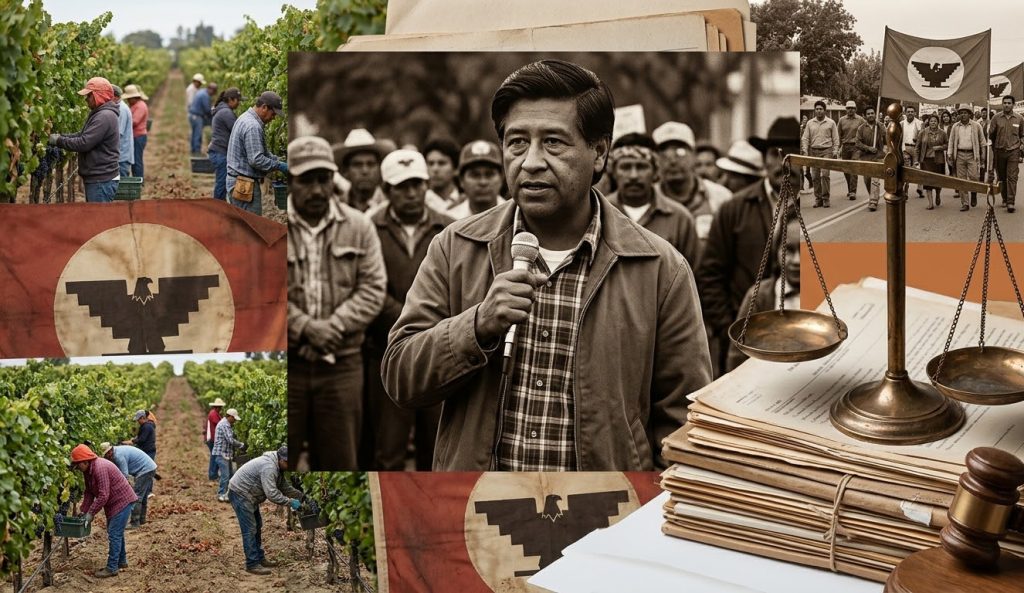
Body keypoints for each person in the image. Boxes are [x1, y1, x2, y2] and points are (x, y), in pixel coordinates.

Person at [382, 59, 713, 471]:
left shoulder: (660, 268)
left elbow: (685, 425)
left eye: (553, 142)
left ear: (599, 152)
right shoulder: (456, 247)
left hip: (602, 517)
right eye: (517, 142)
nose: (531, 161)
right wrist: (478, 324)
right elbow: (400, 376)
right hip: (477, 512)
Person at [287, 135, 386, 470]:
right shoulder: (273, 229)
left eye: (323, 180)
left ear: (333, 179)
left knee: (340, 464)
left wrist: (333, 328)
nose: (317, 190)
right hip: (290, 365)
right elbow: (263, 291)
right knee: (281, 463)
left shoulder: (359, 227)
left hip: (342, 364)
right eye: (306, 181)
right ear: (290, 181)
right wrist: (305, 328)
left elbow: (373, 288)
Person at [365, 150, 454, 470]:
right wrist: (408, 318)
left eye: (417, 185)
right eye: (402, 187)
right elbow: (366, 287)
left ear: (427, 185)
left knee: (437, 448)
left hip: (437, 357)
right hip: (386, 354)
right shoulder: (369, 227)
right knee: (389, 450)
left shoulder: (449, 229)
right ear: (387, 190)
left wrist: (430, 326)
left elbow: (455, 288)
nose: (412, 193)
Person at [698, 117, 802, 376]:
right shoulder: (734, 209)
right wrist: (731, 328)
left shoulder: (817, 208)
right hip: (744, 346)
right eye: (774, 154)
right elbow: (710, 275)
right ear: (764, 160)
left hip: (804, 341)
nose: (783, 162)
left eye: (793, 153)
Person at [605, 133, 700, 266]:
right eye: (626, 167)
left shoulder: (680, 219)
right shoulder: (598, 212)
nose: (633, 176)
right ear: (613, 172)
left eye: (642, 167)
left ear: (656, 172)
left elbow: (694, 274)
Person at [724, 216, 801, 373]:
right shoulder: (759, 297)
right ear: (777, 250)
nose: (796, 260)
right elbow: (736, 359)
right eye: (789, 250)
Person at [652, 121, 732, 251]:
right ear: (655, 159)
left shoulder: (721, 198)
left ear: (694, 155)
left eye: (680, 152)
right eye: (664, 154)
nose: (672, 161)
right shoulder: (649, 200)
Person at [227, 446, 303, 575]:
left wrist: (301, 495)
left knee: (257, 526)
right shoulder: (269, 468)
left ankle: (260, 559)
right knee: (250, 529)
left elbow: (284, 486)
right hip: (241, 494)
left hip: (249, 495)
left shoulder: (277, 466)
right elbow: (272, 494)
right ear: (282, 460)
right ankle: (252, 564)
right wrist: (290, 502)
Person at [47, 77, 120, 202]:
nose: (86, 99)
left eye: (89, 96)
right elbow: (82, 134)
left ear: (98, 95)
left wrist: (58, 141)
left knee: (97, 220)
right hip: (99, 179)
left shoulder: (104, 116)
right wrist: (61, 136)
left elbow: (84, 143)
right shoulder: (101, 114)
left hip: (100, 180)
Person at [70, 444, 137, 578]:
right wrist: (84, 510)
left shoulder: (99, 468)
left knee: (114, 533)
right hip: (114, 503)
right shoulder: (88, 471)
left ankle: (112, 567)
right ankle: (121, 561)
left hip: (122, 501)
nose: (77, 468)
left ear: (85, 461)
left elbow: (103, 495)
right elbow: (89, 492)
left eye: (78, 465)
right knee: (116, 532)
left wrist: (91, 513)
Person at [227, 91, 289, 216]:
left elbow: (261, 152)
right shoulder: (252, 126)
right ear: (264, 107)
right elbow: (256, 159)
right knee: (252, 227)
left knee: (243, 226)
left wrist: (278, 159)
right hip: (244, 184)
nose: (274, 118)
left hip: (238, 182)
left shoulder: (245, 118)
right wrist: (279, 166)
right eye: (273, 113)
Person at [446, 140, 507, 219]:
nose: (483, 182)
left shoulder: (515, 216)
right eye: (475, 175)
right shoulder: (449, 220)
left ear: (501, 178)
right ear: (461, 180)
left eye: (489, 174)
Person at [100, 443, 157, 529]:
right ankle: (142, 520)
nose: (106, 458)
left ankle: (134, 522)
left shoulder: (118, 456)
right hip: (150, 467)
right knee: (143, 496)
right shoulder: (117, 451)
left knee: (137, 497)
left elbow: (124, 475)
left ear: (109, 452)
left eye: (106, 456)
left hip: (145, 470)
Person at [332, 128, 390, 213]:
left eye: (371, 164)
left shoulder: (389, 205)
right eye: (357, 165)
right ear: (346, 171)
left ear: (379, 169)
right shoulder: (336, 207)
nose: (365, 171)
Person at [800, 100, 840, 208]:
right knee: (814, 176)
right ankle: (818, 199)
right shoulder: (809, 123)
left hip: (827, 150)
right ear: (814, 110)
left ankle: (826, 198)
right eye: (817, 109)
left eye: (821, 109)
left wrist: (835, 151)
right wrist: (805, 150)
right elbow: (805, 138)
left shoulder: (831, 123)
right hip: (814, 151)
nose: (819, 111)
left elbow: (835, 139)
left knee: (825, 174)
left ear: (825, 110)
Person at [947, 106, 986, 212]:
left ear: (970, 114)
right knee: (961, 180)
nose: (963, 115)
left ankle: (974, 193)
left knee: (974, 177)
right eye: (961, 113)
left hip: (972, 155)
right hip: (959, 155)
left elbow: (982, 142)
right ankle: (965, 203)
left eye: (965, 113)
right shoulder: (955, 126)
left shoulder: (976, 126)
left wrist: (983, 155)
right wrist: (950, 154)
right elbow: (951, 141)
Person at [208, 88, 243, 200]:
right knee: (222, 184)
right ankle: (218, 210)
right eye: (238, 100)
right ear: (230, 99)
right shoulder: (226, 113)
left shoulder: (223, 110)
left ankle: (219, 209)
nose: (239, 103)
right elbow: (237, 131)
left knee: (221, 183)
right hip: (221, 153)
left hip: (218, 152)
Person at [989, 95, 1022, 213]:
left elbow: (1022, 134)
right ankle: (1004, 198)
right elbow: (991, 135)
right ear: (1002, 104)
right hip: (999, 151)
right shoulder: (996, 118)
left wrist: (1021, 145)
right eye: (1005, 103)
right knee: (1002, 177)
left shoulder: (1019, 118)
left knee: (1012, 177)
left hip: (1013, 151)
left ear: (1013, 104)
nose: (1007, 105)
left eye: (1009, 103)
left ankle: (1010, 202)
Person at [855, 106, 887, 211]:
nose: (871, 115)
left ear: (875, 114)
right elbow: (857, 143)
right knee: (867, 180)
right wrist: (868, 148)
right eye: (868, 114)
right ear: (865, 116)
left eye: (872, 113)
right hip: (865, 157)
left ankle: (873, 201)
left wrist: (880, 126)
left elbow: (886, 137)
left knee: (875, 179)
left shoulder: (880, 126)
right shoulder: (861, 128)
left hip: (878, 157)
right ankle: (873, 196)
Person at [916, 114, 948, 210]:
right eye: (931, 121)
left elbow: (947, 144)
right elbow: (917, 147)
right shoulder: (923, 133)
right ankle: (930, 203)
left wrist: (940, 147)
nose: (933, 123)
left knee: (938, 181)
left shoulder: (942, 133)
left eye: (935, 121)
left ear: (938, 122)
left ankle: (938, 194)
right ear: (928, 122)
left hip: (938, 160)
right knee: (927, 182)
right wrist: (916, 160)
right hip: (926, 161)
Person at [212, 408, 246, 501]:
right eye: (234, 419)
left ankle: (227, 494)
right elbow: (230, 440)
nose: (235, 421)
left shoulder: (225, 424)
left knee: (231, 475)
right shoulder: (225, 425)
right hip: (222, 454)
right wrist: (241, 445)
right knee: (225, 475)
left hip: (225, 454)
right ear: (230, 416)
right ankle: (221, 494)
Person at [423, 137, 463, 211]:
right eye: (430, 163)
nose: (435, 169)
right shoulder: (421, 204)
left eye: (442, 163)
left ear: (456, 169)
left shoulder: (467, 202)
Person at [838, 100, 866, 200]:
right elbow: (839, 134)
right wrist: (838, 148)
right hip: (845, 146)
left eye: (852, 108)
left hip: (856, 147)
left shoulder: (860, 120)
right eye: (849, 108)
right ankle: (850, 189)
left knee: (853, 168)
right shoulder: (841, 120)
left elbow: (865, 132)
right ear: (846, 109)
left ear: (855, 109)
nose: (850, 110)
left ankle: (853, 191)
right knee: (846, 169)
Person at [122, 84, 149, 178]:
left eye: (129, 98)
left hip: (138, 137)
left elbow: (135, 121)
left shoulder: (140, 106)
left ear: (134, 97)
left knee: (137, 160)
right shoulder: (135, 105)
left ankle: (139, 181)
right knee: (135, 159)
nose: (128, 101)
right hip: (136, 136)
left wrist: (122, 124)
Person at [901, 105, 925, 199]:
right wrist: (902, 149)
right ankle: (905, 190)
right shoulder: (901, 123)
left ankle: (920, 188)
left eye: (912, 111)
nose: (910, 113)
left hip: (916, 149)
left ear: (915, 113)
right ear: (905, 113)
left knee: (918, 169)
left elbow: (923, 136)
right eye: (908, 111)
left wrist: (918, 138)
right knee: (907, 170)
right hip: (905, 148)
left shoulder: (919, 123)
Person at [112, 85, 134, 178]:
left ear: (115, 97)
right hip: (121, 155)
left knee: (122, 187)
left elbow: (118, 134)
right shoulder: (120, 107)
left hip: (122, 156)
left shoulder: (121, 110)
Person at [206, 397, 226, 482]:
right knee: (215, 457)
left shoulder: (215, 413)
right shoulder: (213, 414)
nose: (221, 408)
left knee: (215, 457)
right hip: (213, 440)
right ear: (217, 406)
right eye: (220, 407)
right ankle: (212, 475)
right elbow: (220, 424)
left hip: (214, 439)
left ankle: (214, 474)